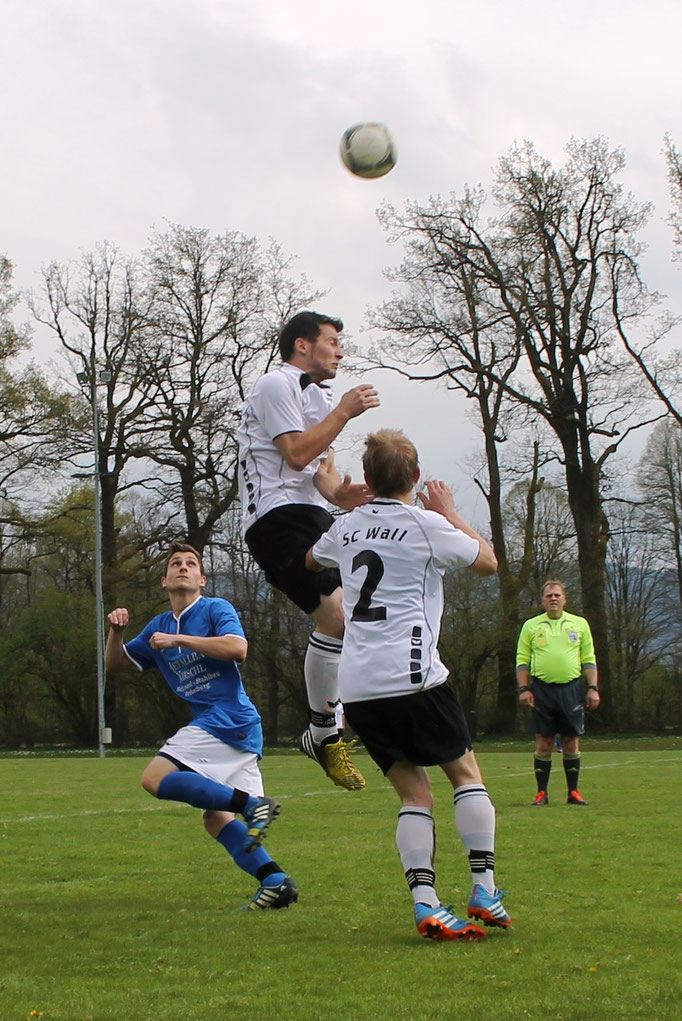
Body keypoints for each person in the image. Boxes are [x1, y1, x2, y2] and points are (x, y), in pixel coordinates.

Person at [305, 429, 511, 942]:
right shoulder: (426, 524)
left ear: (369, 479)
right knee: (465, 775)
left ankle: (426, 904)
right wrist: (449, 511)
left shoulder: (347, 527)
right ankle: (484, 888)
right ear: (416, 478)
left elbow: (312, 560)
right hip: (414, 676)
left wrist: (343, 503)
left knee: (414, 795)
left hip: (359, 686)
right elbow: (488, 563)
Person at [105, 540, 298, 911]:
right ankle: (276, 882)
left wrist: (180, 639)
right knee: (215, 819)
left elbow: (238, 649)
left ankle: (253, 805)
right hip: (233, 729)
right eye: (175, 563)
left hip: (228, 718)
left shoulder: (214, 608)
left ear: (203, 579)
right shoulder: (159, 626)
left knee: (154, 779)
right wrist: (117, 633)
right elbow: (116, 666)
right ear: (164, 580)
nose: (182, 567)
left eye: (190, 564)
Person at [237, 310, 380, 791]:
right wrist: (343, 412)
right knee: (337, 618)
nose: (340, 350)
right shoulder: (276, 385)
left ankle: (336, 723)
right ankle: (325, 733)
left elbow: (319, 473)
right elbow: (295, 453)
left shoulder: (317, 397)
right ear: (303, 345)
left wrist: (342, 494)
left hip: (310, 515)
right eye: (333, 341)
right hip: (275, 520)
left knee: (358, 613)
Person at [516, 579, 600, 806]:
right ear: (542, 600)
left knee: (571, 741)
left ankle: (573, 792)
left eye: (557, 595)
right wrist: (524, 688)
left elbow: (589, 659)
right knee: (544, 742)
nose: (553, 599)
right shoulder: (531, 626)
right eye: (548, 595)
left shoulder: (579, 624)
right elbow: (522, 661)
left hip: (570, 689)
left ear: (565, 599)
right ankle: (541, 793)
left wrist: (592, 688)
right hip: (541, 690)